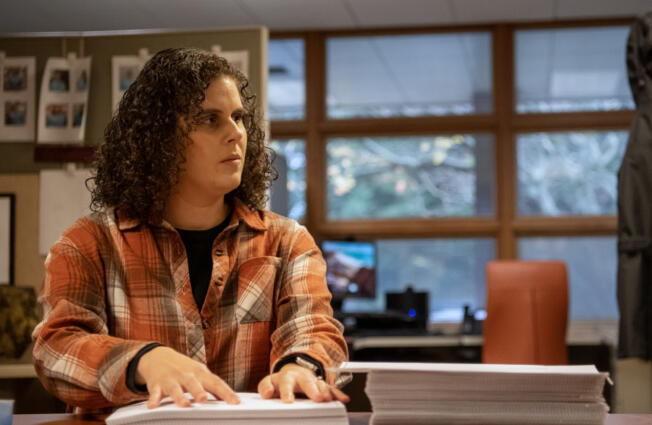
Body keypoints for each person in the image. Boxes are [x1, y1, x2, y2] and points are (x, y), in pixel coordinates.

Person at [32, 47, 350, 412]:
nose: (236, 134)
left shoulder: (287, 241)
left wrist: (300, 367)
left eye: (238, 117)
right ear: (160, 140)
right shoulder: (89, 243)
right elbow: (56, 349)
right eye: (210, 120)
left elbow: (315, 330)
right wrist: (142, 362)